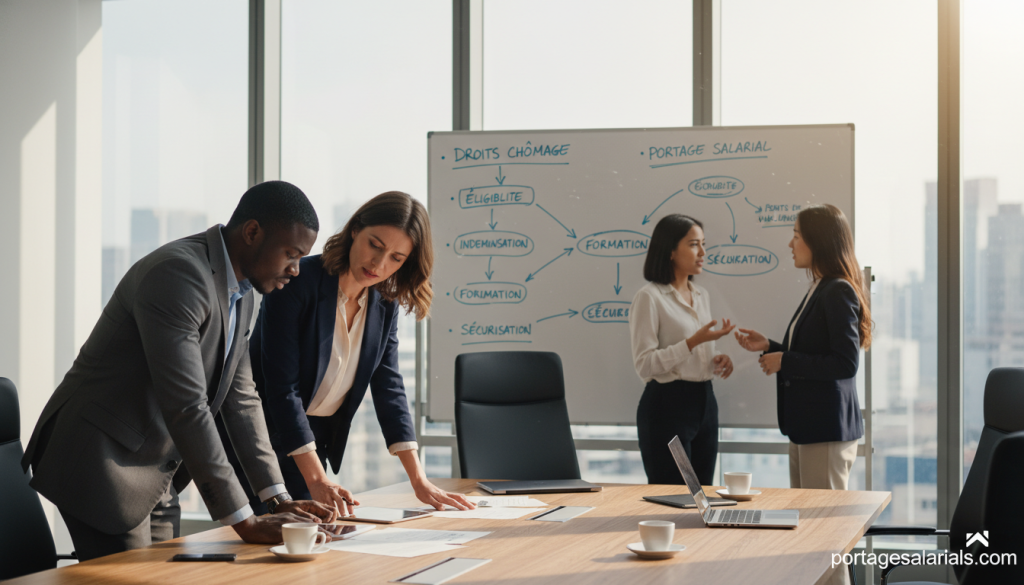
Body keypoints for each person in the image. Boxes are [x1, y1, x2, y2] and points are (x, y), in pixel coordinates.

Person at [21, 181, 337, 561]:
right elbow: (188, 405)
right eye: (291, 253)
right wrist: (245, 522)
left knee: (172, 573)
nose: (296, 270)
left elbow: (241, 400)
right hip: (101, 462)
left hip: (154, 472)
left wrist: (277, 498)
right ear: (252, 232)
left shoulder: (245, 292)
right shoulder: (179, 275)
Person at [220, 191, 473, 517]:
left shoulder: (384, 304)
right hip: (261, 438)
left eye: (396, 258)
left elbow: (389, 385)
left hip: (313, 440)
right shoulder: (299, 281)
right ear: (355, 231)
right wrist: (316, 478)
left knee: (320, 537)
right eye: (375, 246)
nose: (379, 265)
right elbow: (282, 388)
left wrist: (419, 480)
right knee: (268, 541)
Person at [734, 204, 870, 490]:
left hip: (825, 430)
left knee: (824, 525)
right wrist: (771, 347)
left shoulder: (837, 290)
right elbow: (816, 351)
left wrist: (785, 361)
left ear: (818, 241)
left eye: (796, 235)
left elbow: (845, 363)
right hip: (809, 429)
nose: (790, 244)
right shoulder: (821, 287)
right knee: (809, 523)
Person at [629, 214, 735, 486]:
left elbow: (696, 353)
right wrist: (691, 343)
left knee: (704, 495)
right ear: (671, 251)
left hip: (705, 403)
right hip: (667, 406)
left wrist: (716, 359)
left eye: (703, 244)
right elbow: (645, 365)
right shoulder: (649, 297)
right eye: (693, 244)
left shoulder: (701, 295)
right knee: (675, 496)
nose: (702, 252)